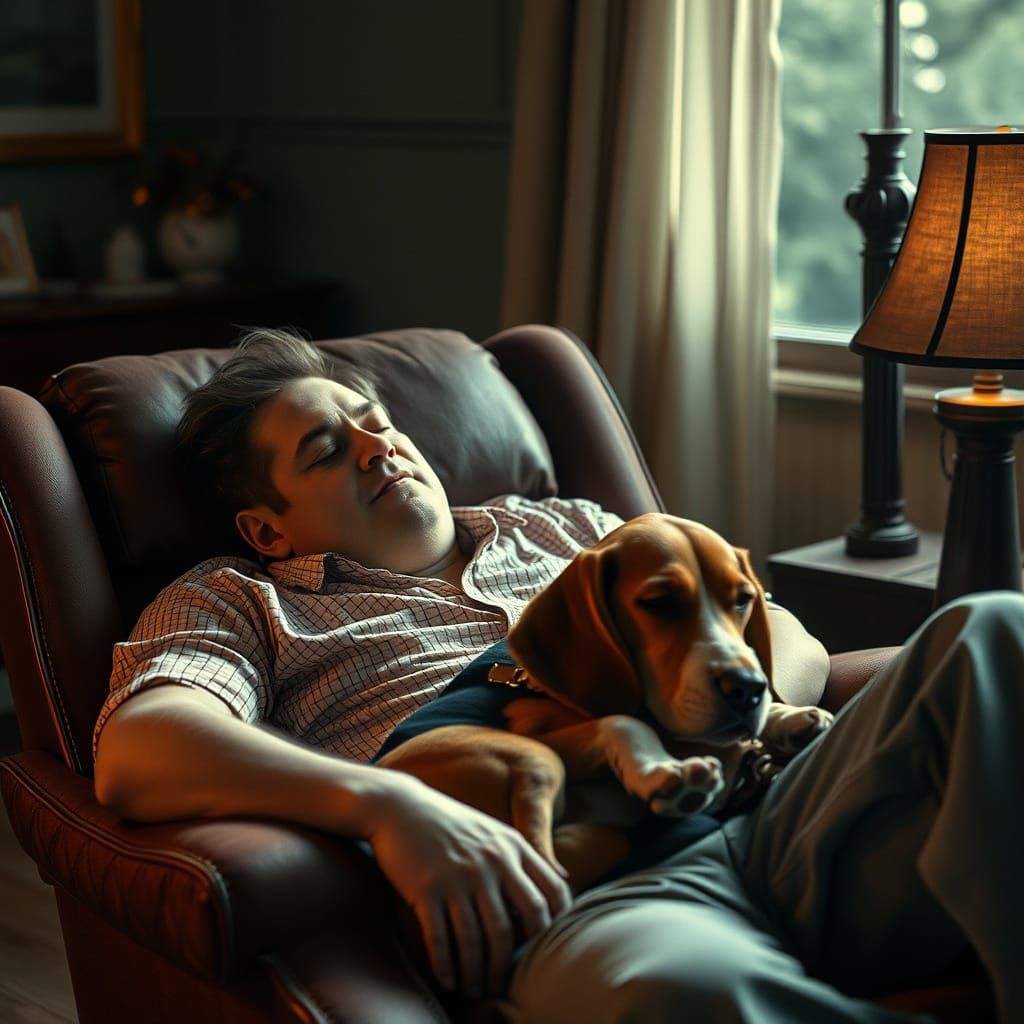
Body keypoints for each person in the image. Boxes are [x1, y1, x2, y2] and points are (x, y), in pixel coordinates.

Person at [93, 329, 1018, 1021]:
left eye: (375, 423)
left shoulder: (562, 525)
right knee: (681, 993)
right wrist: (386, 805)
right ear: (267, 528)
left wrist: (745, 707)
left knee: (992, 628)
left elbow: (771, 625)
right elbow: (141, 748)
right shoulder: (240, 600)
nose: (379, 448)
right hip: (595, 881)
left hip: (782, 815)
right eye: (328, 451)